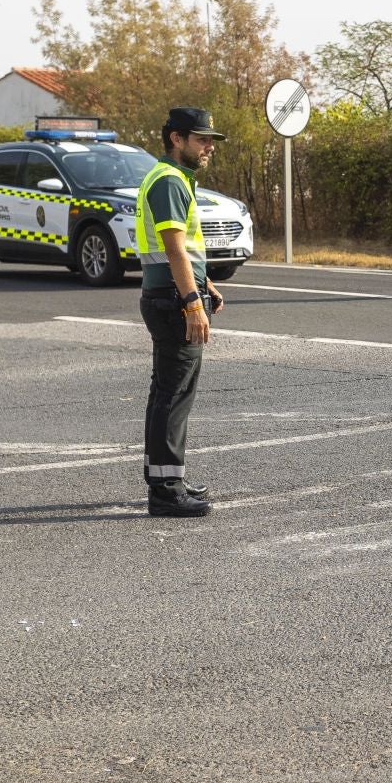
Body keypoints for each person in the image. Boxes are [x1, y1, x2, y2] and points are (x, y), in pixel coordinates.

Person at [134, 107, 226, 518]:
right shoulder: (169, 180)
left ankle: (167, 477)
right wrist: (192, 302)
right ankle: (166, 491)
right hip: (173, 301)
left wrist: (204, 284)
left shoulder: (170, 178)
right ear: (176, 138)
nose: (209, 147)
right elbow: (172, 247)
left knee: (169, 393)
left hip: (171, 294)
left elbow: (182, 248)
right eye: (202, 139)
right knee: (173, 396)